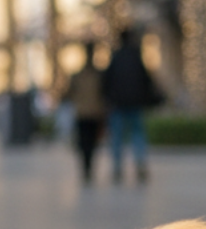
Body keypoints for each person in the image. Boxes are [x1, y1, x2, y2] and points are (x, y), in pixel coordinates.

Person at [102, 26, 161, 184]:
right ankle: (140, 163)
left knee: (117, 137)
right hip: (135, 104)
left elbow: (106, 81)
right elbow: (146, 81)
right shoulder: (137, 57)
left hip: (118, 104)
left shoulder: (116, 57)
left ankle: (117, 167)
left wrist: (108, 98)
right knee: (137, 134)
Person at [64, 42, 106, 185]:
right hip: (91, 113)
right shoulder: (96, 75)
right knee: (88, 143)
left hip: (85, 113)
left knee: (85, 143)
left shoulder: (81, 75)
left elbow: (69, 93)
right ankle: (87, 167)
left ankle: (87, 167)